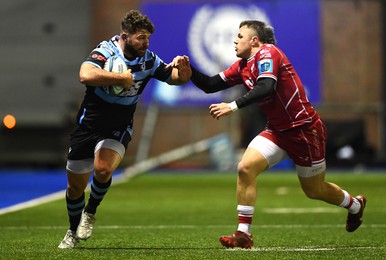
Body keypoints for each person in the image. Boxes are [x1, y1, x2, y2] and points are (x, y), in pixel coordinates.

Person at [188, 20, 366, 249]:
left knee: (314, 190)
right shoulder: (243, 65)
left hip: (304, 130)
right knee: (245, 168)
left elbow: (266, 87)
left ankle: (355, 206)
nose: (235, 40)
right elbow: (211, 84)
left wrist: (232, 106)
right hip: (277, 131)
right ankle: (243, 234)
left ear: (254, 40)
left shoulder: (268, 53)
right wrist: (189, 69)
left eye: (240, 36)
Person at [58, 10, 191, 249]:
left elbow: (174, 78)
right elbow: (85, 74)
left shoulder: (148, 59)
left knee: (103, 168)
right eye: (141, 38)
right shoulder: (105, 51)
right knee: (75, 186)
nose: (146, 43)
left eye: (148, 38)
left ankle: (90, 212)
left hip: (119, 125)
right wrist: (119, 79)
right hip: (89, 123)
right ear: (125, 36)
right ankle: (72, 230)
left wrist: (184, 71)